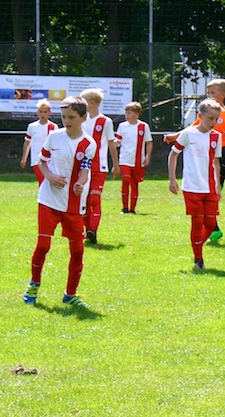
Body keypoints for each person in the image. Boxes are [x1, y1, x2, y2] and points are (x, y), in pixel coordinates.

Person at [22, 96, 97, 308]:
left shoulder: (89, 144)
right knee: (43, 245)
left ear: (83, 118)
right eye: (64, 117)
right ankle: (33, 285)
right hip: (49, 199)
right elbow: (42, 161)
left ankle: (70, 294)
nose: (67, 121)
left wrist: (80, 184)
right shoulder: (54, 136)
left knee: (78, 251)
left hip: (73, 204)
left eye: (71, 117)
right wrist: (49, 176)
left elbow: (85, 169)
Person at [164, 79, 225, 242]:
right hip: (205, 155)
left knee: (213, 189)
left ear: (223, 95)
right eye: (208, 93)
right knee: (205, 188)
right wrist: (175, 136)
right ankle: (213, 227)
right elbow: (192, 128)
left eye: (213, 93)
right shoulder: (205, 113)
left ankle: (212, 226)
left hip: (223, 153)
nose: (210, 95)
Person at [168, 99, 223, 271]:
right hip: (192, 187)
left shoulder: (216, 137)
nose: (213, 122)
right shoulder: (188, 134)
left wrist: (217, 185)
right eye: (210, 118)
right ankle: (198, 259)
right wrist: (172, 179)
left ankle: (197, 244)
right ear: (200, 116)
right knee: (197, 223)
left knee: (211, 224)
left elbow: (216, 162)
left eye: (216, 119)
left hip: (210, 187)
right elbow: (173, 154)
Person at [80, 88, 120, 244]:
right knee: (83, 199)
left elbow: (111, 143)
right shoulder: (81, 120)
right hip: (83, 166)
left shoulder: (105, 121)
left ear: (91, 103)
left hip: (99, 166)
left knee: (94, 199)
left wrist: (116, 165)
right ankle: (87, 230)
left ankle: (93, 230)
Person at [115, 101, 153, 214]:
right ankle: (125, 208)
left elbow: (149, 142)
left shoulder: (143, 126)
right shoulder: (122, 126)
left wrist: (148, 156)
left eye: (129, 113)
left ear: (137, 114)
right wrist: (112, 143)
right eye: (126, 113)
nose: (127, 115)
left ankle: (132, 209)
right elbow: (118, 141)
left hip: (138, 161)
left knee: (134, 184)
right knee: (126, 180)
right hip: (124, 159)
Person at [19, 99, 58, 184]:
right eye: (41, 112)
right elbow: (27, 142)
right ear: (37, 112)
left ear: (49, 113)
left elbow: (57, 144)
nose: (43, 114)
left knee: (50, 183)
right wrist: (24, 158)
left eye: (45, 112)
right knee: (42, 182)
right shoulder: (32, 126)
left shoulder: (53, 127)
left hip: (50, 159)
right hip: (37, 159)